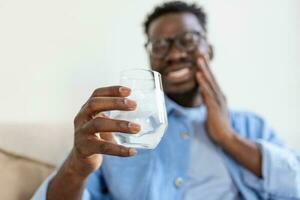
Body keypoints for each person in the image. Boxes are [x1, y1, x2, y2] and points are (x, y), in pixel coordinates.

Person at [32, 1, 300, 200]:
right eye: (159, 46)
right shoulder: (120, 131)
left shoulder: (250, 126)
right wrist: (77, 167)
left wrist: (228, 138)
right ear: (150, 59)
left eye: (188, 40)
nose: (173, 55)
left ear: (210, 50)